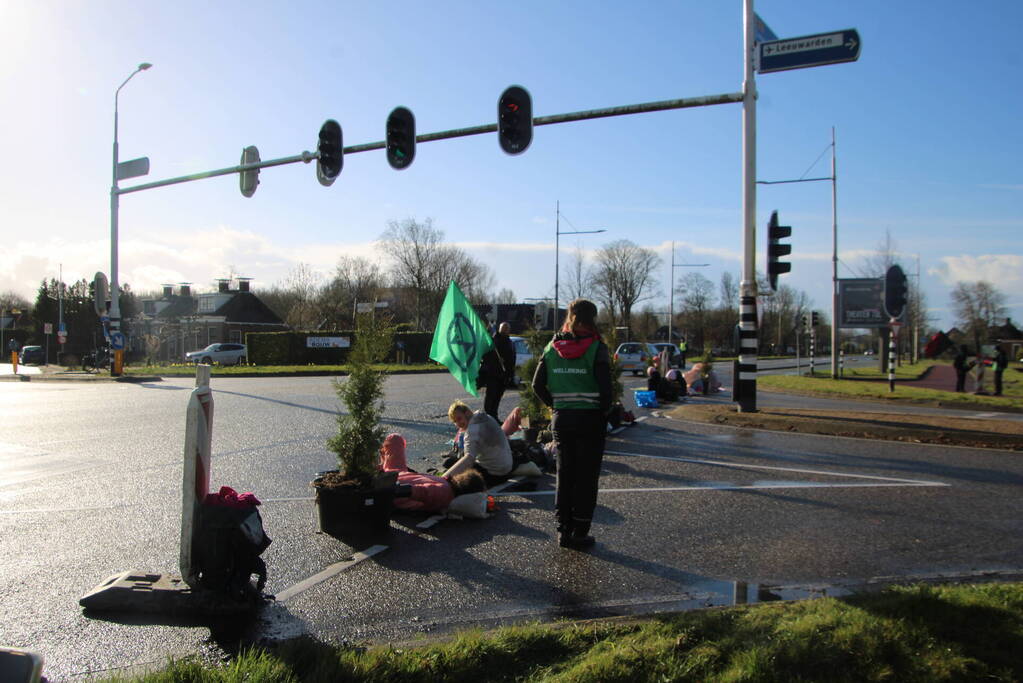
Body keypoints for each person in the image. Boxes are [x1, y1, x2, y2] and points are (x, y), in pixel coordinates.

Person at [532, 298, 612, 550]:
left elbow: (536, 385)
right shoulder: (597, 348)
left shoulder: (552, 346)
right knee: (586, 477)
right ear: (592, 319)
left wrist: (555, 405)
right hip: (590, 419)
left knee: (565, 475)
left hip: (563, 419)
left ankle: (563, 530)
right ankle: (580, 530)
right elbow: (606, 391)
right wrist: (602, 412)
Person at [379, 433, 486, 513]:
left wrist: (390, 487)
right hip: (398, 474)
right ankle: (381, 465)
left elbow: (422, 491)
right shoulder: (446, 483)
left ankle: (378, 467)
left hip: (393, 482)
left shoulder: (444, 491)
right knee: (395, 439)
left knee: (394, 440)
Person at [443, 401, 514, 485]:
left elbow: (469, 459)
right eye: (455, 421)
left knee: (449, 463)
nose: (458, 424)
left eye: (459, 418)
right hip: (508, 468)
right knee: (455, 460)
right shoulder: (486, 417)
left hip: (495, 475)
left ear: (467, 412)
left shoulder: (472, 430)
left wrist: (443, 479)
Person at [480, 322, 517, 421]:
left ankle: (494, 417)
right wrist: (496, 360)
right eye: (503, 328)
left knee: (497, 398)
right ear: (499, 329)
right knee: (490, 398)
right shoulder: (493, 341)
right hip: (493, 375)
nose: (505, 330)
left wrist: (510, 374)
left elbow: (512, 359)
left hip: (504, 376)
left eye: (507, 328)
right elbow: (485, 356)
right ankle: (487, 418)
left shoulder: (510, 342)